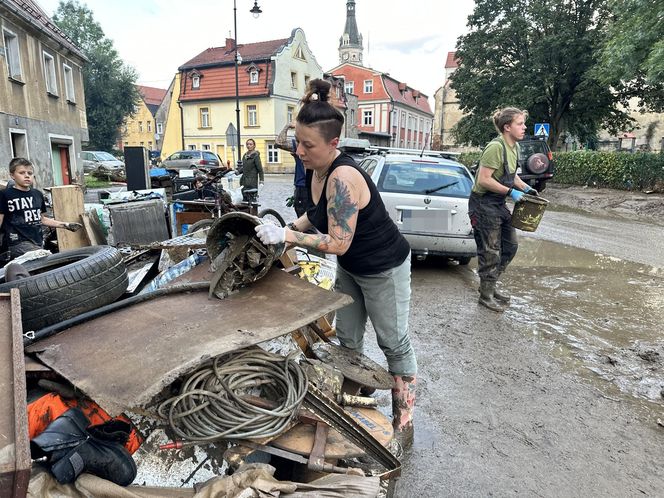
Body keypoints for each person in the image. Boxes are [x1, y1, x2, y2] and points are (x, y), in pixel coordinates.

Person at [254, 79, 417, 445]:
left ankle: (403, 416)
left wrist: (287, 237)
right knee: (347, 337)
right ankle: (354, 402)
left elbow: (338, 242)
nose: (299, 151)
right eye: (297, 141)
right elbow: (316, 215)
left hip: (383, 268)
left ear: (334, 144)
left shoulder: (344, 176)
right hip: (353, 267)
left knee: (393, 342)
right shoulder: (317, 168)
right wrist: (282, 227)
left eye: (308, 145)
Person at [468, 107, 539, 312]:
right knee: (490, 251)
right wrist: (511, 193)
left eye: (523, 123)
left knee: (510, 246)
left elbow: (511, 175)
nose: (524, 127)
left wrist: (525, 188)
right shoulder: (495, 147)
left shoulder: (514, 147)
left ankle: (489, 285)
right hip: (483, 203)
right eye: (520, 123)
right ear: (507, 127)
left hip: (498, 203)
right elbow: (484, 179)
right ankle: (486, 295)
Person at [0, 158, 82, 261]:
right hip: (17, 242)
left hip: (37, 241)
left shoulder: (37, 194)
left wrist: (65, 225)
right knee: (45, 260)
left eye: (30, 173)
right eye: (22, 173)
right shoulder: (5, 195)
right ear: (12, 175)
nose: (27, 175)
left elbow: (42, 219)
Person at [275, 122, 313, 217]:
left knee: (305, 216)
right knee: (307, 216)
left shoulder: (301, 144)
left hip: (305, 186)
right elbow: (279, 142)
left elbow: (279, 142)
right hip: (305, 185)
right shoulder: (300, 144)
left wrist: (287, 126)